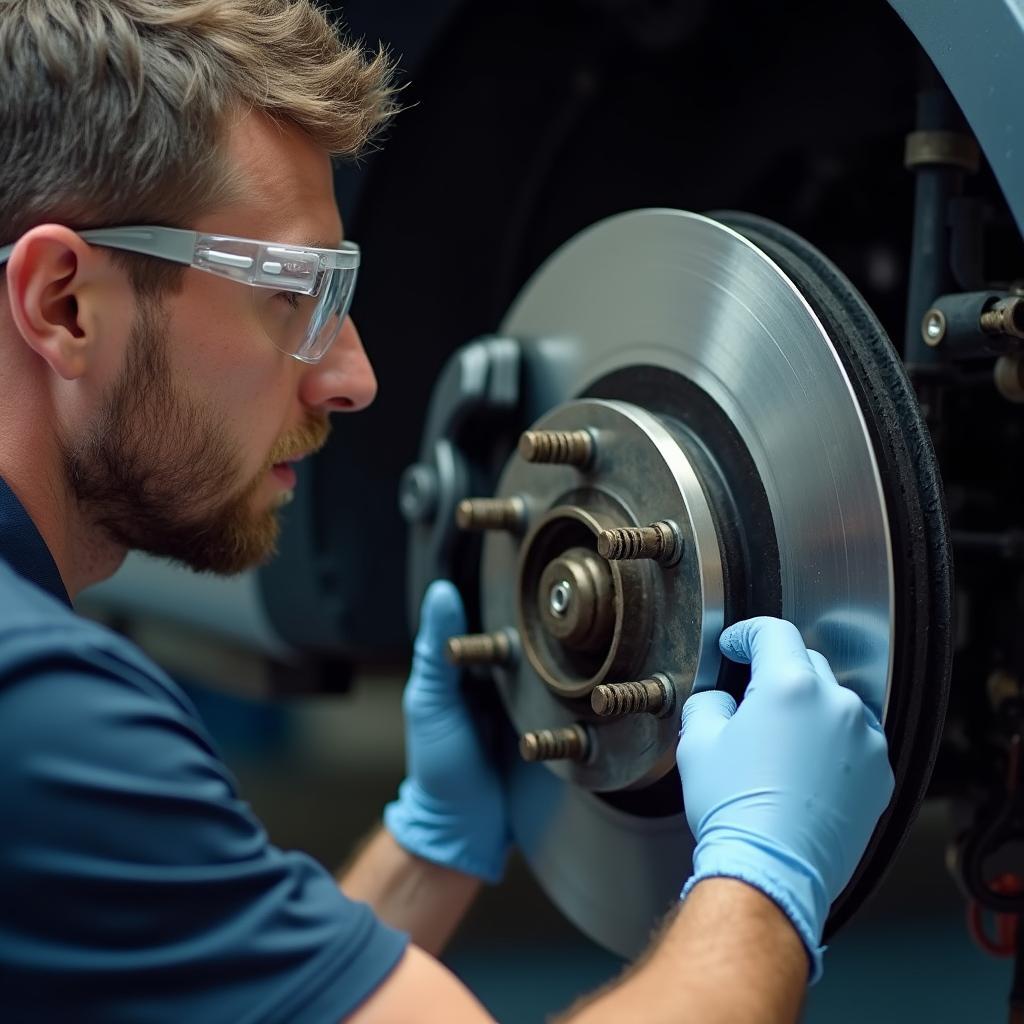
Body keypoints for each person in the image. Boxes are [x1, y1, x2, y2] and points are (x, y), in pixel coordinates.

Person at [0, 2, 895, 1021]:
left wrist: (430, 841)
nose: (353, 379)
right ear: (64, 301)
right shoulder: (43, 709)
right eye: (292, 297)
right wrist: (766, 875)